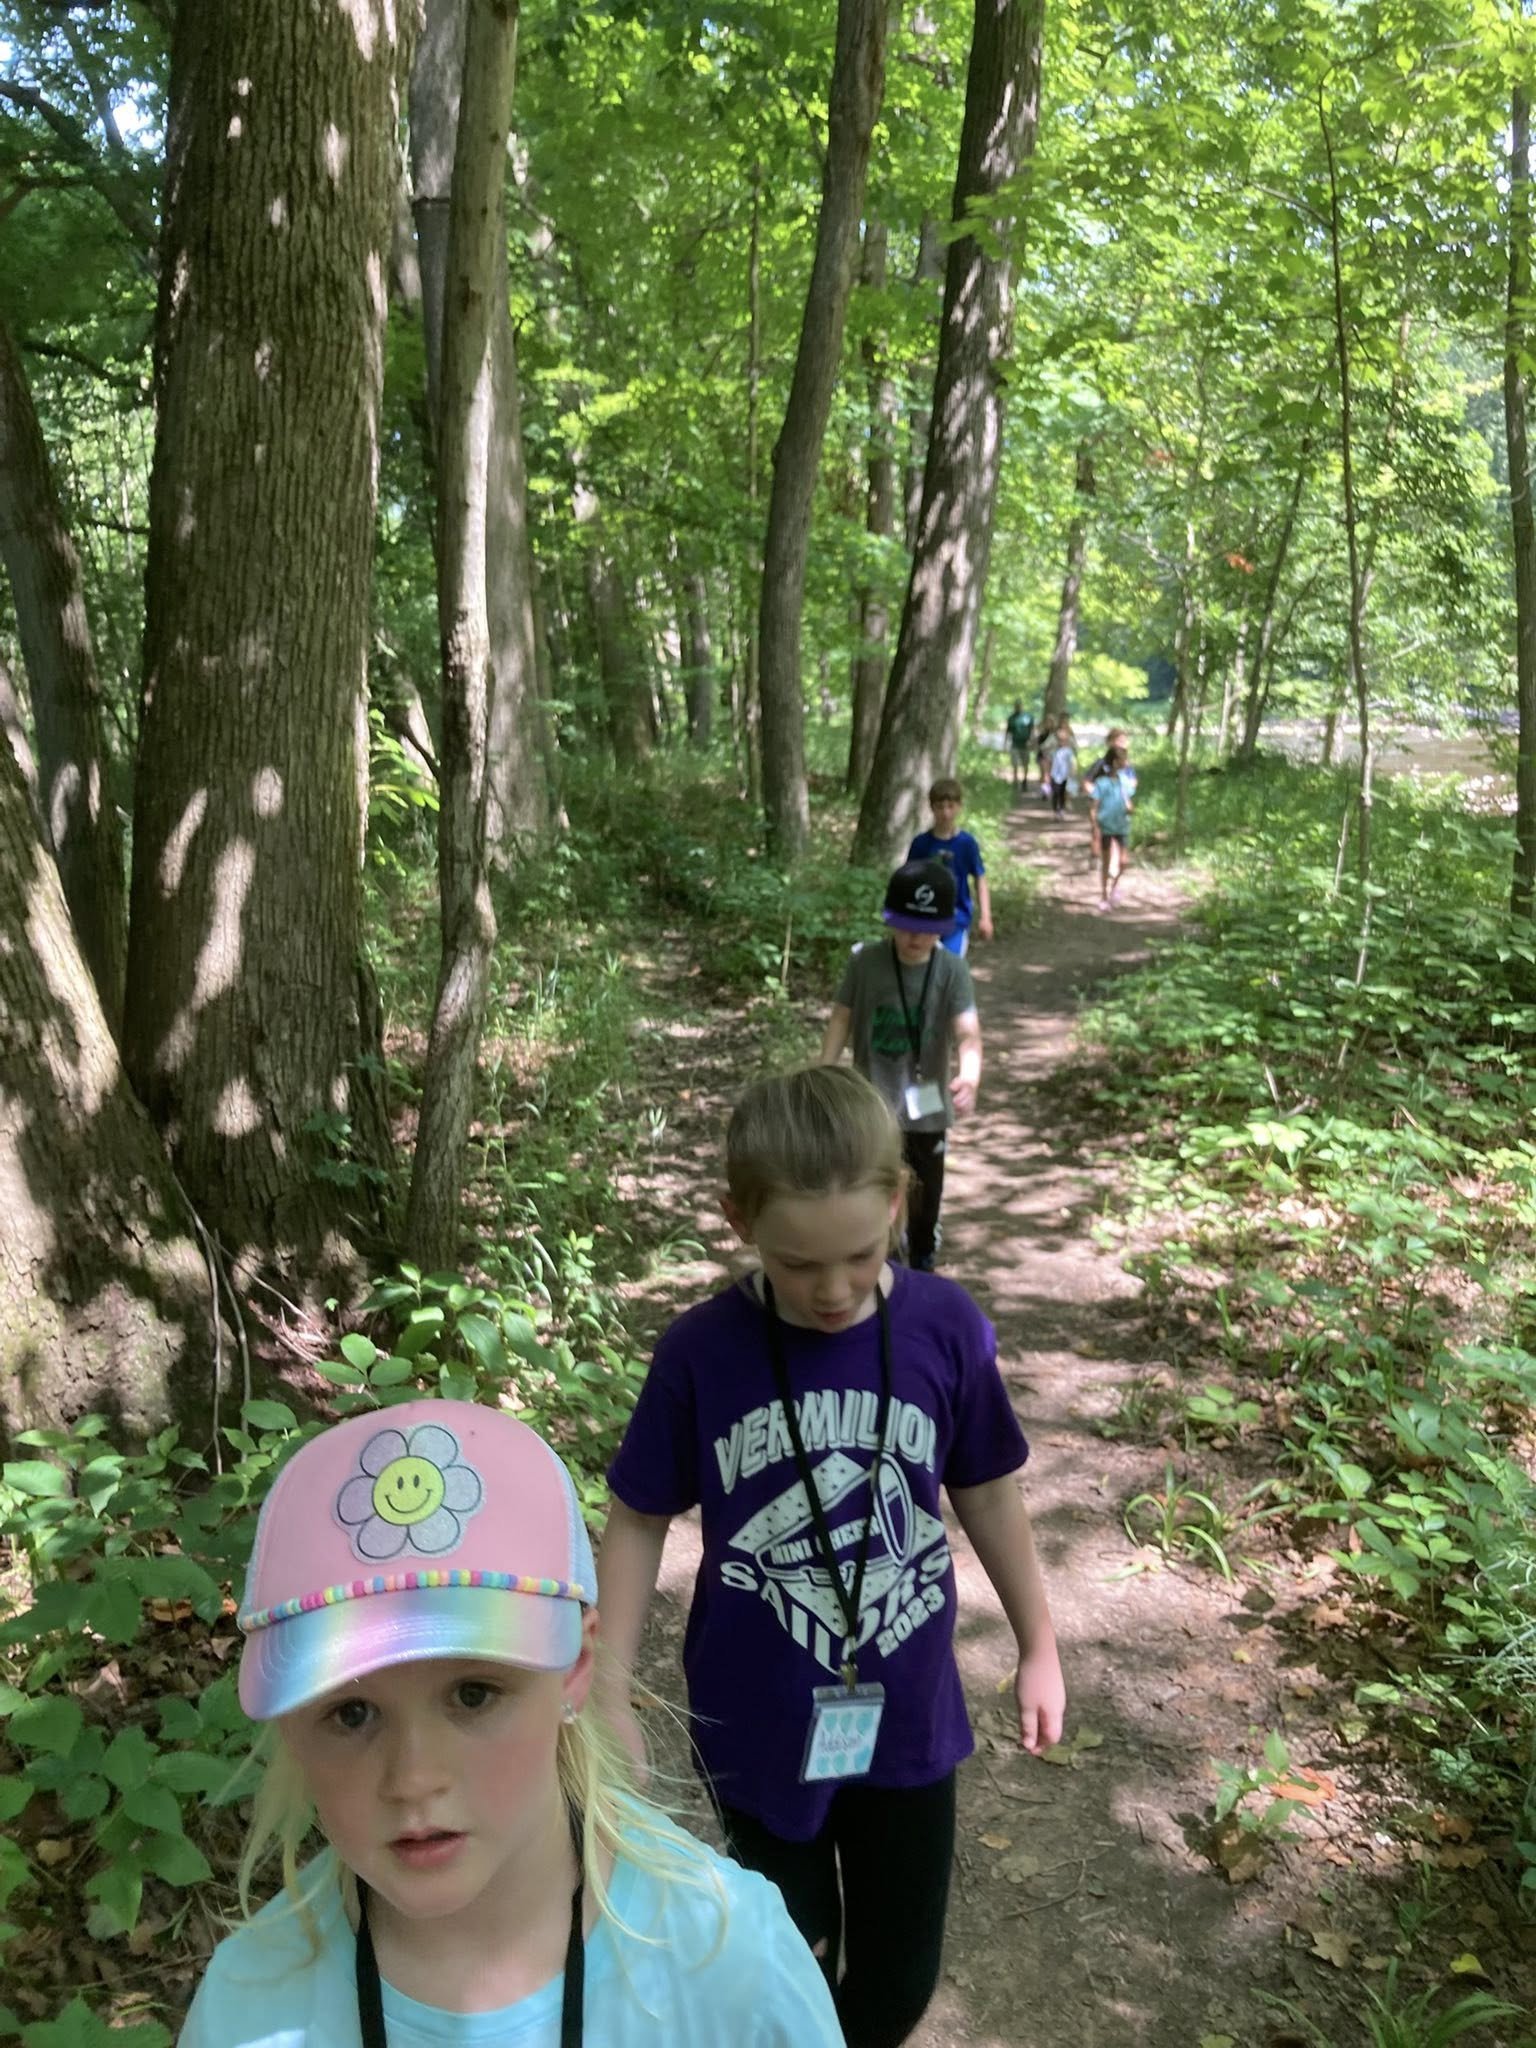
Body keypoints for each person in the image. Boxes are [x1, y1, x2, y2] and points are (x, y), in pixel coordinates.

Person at [598, 1065, 1065, 2048]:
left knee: (897, 1981)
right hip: (755, 1724)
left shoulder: (947, 1326)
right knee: (784, 1965)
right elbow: (639, 1513)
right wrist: (606, 1686)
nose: (834, 1288)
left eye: (859, 1253)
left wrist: (1040, 1640)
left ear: (900, 1202)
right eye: (799, 1263)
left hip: (907, 1720)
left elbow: (985, 1487)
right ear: (738, 1221)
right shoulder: (700, 1351)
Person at [179, 1402, 844, 2048]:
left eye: (473, 1694)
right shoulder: (248, 2010)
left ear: (576, 1667)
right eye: (350, 1713)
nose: (413, 1779)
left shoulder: (730, 1967)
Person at [817, 859, 979, 1272]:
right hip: (872, 1101)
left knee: (926, 1190)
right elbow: (842, 1016)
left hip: (927, 1107)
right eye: (907, 926)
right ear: (891, 920)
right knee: (873, 1181)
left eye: (927, 929)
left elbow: (967, 1031)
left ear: (942, 928)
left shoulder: (951, 969)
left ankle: (923, 1249)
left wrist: (970, 1074)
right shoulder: (865, 962)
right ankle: (882, 1255)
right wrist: (825, 1067)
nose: (916, 937)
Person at [905, 777, 993, 957]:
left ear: (959, 807)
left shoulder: (967, 844)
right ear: (932, 808)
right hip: (925, 919)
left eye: (950, 806)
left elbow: (980, 878)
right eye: (940, 807)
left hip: (957, 920)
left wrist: (986, 917)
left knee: (950, 969)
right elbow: (908, 881)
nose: (945, 813)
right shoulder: (921, 844)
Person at [1089, 743, 1135, 912]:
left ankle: (1114, 888)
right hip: (1106, 827)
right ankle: (1103, 895)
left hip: (1122, 826)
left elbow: (1128, 800)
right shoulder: (1101, 783)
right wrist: (1095, 826)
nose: (1126, 762)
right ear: (1115, 762)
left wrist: (1130, 807)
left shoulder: (1124, 780)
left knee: (1124, 862)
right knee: (1106, 863)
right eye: (1123, 759)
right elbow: (1094, 806)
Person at [1081, 728, 1132, 871]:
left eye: (1124, 741)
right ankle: (1095, 856)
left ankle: (1113, 864)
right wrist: (1097, 793)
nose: (1123, 743)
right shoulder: (1101, 763)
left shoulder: (1126, 765)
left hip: (1117, 807)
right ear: (1110, 742)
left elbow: (1132, 782)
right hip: (1100, 804)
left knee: (1116, 834)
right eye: (1119, 740)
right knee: (1097, 831)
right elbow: (1086, 781)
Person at [1003, 703, 1035, 790]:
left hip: (1025, 745)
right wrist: (1005, 745)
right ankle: (1015, 781)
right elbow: (1007, 731)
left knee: (1025, 764)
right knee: (1015, 764)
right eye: (1017, 706)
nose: (1018, 708)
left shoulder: (1028, 717)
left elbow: (1032, 731)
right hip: (1015, 744)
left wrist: (1032, 742)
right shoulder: (1011, 718)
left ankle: (1024, 780)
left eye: (1020, 706)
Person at [1048, 724, 1076, 818]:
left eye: (1063, 740)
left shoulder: (1068, 751)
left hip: (1064, 776)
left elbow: (1072, 763)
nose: (1061, 742)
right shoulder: (1054, 751)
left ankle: (1061, 809)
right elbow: (1050, 762)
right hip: (1054, 775)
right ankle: (1055, 811)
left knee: (1062, 793)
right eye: (1059, 740)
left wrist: (1072, 773)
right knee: (1055, 793)